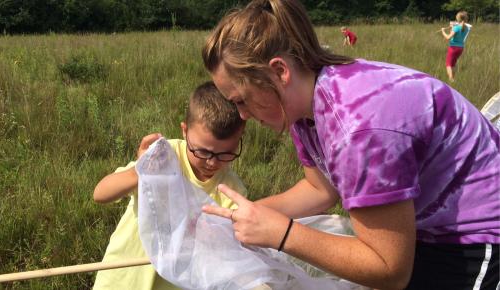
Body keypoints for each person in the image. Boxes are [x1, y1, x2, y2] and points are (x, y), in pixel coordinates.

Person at [201, 0, 499, 289]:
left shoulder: (356, 127)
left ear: (279, 72)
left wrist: (281, 233)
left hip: (478, 236)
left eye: (241, 100)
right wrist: (240, 217)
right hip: (425, 229)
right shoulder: (302, 108)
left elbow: (390, 269)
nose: (242, 114)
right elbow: (320, 189)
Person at [92, 81, 247, 290]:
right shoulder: (163, 158)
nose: (212, 162)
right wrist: (141, 170)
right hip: (124, 277)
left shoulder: (233, 192)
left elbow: (225, 254)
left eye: (225, 154)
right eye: (202, 151)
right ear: (184, 131)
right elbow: (100, 194)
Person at [441, 11, 471, 82]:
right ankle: (453, 79)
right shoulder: (466, 28)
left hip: (453, 48)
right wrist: (452, 28)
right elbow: (456, 35)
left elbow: (448, 37)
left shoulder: (456, 28)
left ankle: (451, 80)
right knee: (453, 64)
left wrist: (443, 31)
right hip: (460, 48)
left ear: (458, 19)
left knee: (448, 64)